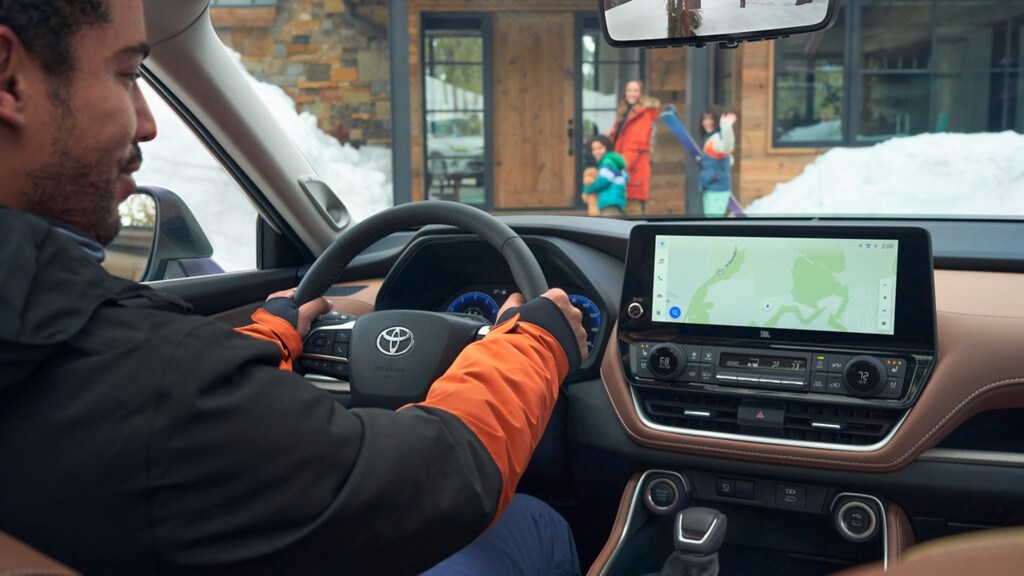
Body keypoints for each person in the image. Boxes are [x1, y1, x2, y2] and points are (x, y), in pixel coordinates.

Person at [0, 1, 587, 575]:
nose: (147, 121)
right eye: (127, 73)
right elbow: (425, 483)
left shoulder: (84, 363)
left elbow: (215, 423)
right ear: (9, 76)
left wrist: (269, 340)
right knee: (535, 522)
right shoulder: (141, 386)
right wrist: (534, 344)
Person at [609, 80, 660, 216]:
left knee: (633, 212)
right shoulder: (625, 113)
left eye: (635, 90)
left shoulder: (643, 115)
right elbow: (617, 139)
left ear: (641, 94)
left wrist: (620, 167)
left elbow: (635, 144)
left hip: (633, 170)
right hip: (623, 169)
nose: (632, 94)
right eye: (629, 90)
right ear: (625, 93)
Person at [699, 107, 738, 217]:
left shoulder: (718, 138)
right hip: (710, 187)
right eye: (704, 119)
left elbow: (727, 146)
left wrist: (726, 127)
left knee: (714, 222)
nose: (707, 122)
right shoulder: (710, 138)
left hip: (718, 189)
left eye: (710, 119)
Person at [581, 135, 628, 217]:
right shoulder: (614, 161)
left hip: (608, 201)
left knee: (609, 225)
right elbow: (626, 176)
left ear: (608, 148)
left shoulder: (607, 162)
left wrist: (588, 189)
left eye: (600, 148)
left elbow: (603, 180)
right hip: (617, 199)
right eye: (594, 149)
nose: (596, 152)